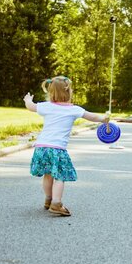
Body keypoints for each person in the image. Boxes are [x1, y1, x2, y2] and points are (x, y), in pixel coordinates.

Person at [23, 75, 109, 216]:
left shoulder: (46, 107)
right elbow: (92, 116)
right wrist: (104, 119)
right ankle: (56, 203)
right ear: (69, 92)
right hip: (57, 149)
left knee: (48, 174)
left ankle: (48, 199)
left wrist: (27, 100)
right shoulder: (74, 109)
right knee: (60, 176)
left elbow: (31, 107)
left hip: (42, 147)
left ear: (51, 93)